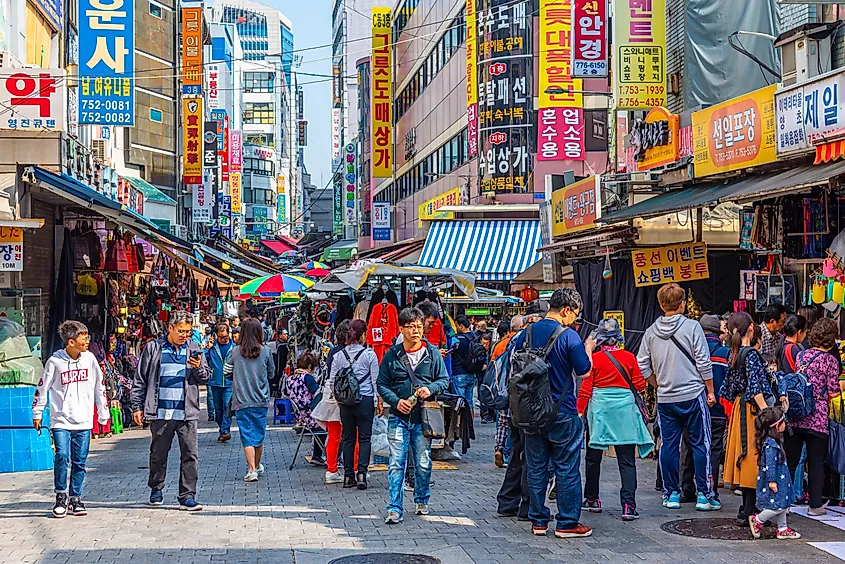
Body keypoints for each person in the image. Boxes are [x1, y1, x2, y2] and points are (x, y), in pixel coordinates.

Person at [509, 288, 594, 538]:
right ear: (566, 310)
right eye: (575, 315)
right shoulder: (569, 337)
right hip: (562, 411)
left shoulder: (527, 332)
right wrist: (588, 347)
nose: (575, 320)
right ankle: (567, 523)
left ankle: (538, 521)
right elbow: (584, 371)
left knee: (536, 467)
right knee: (566, 467)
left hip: (531, 411)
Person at [637, 283, 719, 511]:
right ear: (682, 304)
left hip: (666, 398)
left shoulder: (651, 332)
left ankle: (671, 493)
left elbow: (641, 364)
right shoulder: (693, 328)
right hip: (693, 394)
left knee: (668, 446)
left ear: (661, 304)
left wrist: (657, 383)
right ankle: (704, 494)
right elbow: (704, 362)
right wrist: (710, 390)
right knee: (700, 444)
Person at [377, 307, 450, 525]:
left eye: (419, 327)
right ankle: (394, 507)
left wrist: (431, 389)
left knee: (423, 462)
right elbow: (382, 384)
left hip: (423, 418)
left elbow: (444, 379)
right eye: (411, 327)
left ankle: (421, 499)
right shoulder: (392, 355)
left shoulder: (432, 353)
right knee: (396, 463)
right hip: (398, 417)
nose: (416, 331)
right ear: (401, 329)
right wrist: (395, 401)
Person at [131, 311, 211, 511]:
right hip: (161, 412)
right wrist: (137, 406)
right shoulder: (154, 348)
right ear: (170, 328)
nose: (185, 335)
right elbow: (140, 379)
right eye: (181, 331)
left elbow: (206, 377)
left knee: (190, 455)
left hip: (187, 412)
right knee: (158, 454)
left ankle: (187, 495)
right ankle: (156, 488)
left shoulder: (194, 349)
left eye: (188, 331)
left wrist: (198, 367)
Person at [577, 318, 653, 521]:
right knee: (626, 460)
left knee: (593, 458)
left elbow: (586, 388)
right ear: (618, 338)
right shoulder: (629, 357)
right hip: (624, 413)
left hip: (600, 412)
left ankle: (592, 499)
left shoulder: (594, 359)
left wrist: (579, 412)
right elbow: (640, 385)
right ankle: (628, 506)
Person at [33, 321, 110, 518]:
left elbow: (98, 386)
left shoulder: (90, 359)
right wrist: (38, 412)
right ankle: (61, 496)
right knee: (62, 457)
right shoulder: (54, 362)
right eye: (83, 337)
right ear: (70, 342)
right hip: (61, 420)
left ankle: (76, 498)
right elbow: (42, 388)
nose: (87, 341)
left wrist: (103, 413)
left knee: (80, 461)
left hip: (84, 420)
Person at [721, 312, 785, 524]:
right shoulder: (751, 355)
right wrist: (769, 414)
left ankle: (746, 508)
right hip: (753, 410)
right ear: (751, 328)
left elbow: (727, 388)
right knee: (754, 456)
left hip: (741, 407)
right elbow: (756, 389)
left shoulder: (735, 352)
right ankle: (750, 510)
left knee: (747, 456)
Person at [784, 317, 845, 516]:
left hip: (796, 414)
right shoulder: (831, 361)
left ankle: (782, 501)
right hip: (817, 417)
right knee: (816, 460)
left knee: (791, 460)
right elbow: (834, 392)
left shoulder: (802, 355)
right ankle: (815, 505)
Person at [679, 314, 730, 503]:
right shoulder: (724, 354)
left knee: (689, 447)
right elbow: (728, 383)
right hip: (717, 410)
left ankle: (686, 489)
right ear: (718, 333)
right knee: (713, 450)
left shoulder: (689, 350)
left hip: (690, 405)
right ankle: (709, 490)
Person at [327, 319, 382, 490]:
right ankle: (362, 474)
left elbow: (332, 380)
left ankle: (348, 476)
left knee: (348, 438)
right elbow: (375, 381)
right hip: (365, 400)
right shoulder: (369, 354)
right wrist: (378, 399)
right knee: (365, 438)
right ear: (363, 335)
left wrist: (337, 398)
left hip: (345, 402)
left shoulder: (338, 356)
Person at [224, 318, 274, 482]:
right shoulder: (265, 351)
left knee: (246, 435)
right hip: (261, 400)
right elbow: (272, 373)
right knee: (259, 435)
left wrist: (238, 378)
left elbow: (226, 372)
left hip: (241, 400)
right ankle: (257, 465)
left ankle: (252, 469)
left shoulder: (235, 352)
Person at [748, 407, 801, 540]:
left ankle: (782, 528)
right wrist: (772, 481)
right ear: (777, 425)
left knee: (782, 503)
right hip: (776, 480)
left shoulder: (773, 442)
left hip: (780, 479)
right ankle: (758, 520)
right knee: (778, 505)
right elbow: (770, 464)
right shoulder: (771, 444)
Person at [493, 315, 524, 468]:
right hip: (515, 388)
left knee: (502, 422)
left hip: (501, 387)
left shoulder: (500, 345)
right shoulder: (521, 342)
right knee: (513, 423)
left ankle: (498, 448)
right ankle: (507, 453)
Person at [286, 352, 326, 466]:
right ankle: (331, 457)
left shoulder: (290, 378)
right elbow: (318, 394)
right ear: (309, 366)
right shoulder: (307, 378)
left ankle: (317, 455)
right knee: (333, 423)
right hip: (312, 416)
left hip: (301, 417)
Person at [205, 323, 234, 442]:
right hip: (215, 382)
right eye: (220, 337)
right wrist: (207, 348)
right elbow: (202, 359)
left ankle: (225, 431)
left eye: (225, 337)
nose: (223, 339)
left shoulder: (234, 347)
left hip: (229, 383)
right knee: (218, 410)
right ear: (216, 335)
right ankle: (222, 428)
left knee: (227, 406)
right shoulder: (212, 348)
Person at [451, 315, 479, 410]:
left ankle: (462, 424)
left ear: (461, 326)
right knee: (469, 402)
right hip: (472, 373)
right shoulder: (475, 337)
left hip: (459, 373)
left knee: (460, 403)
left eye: (456, 326)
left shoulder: (457, 339)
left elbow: (450, 351)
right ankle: (470, 424)